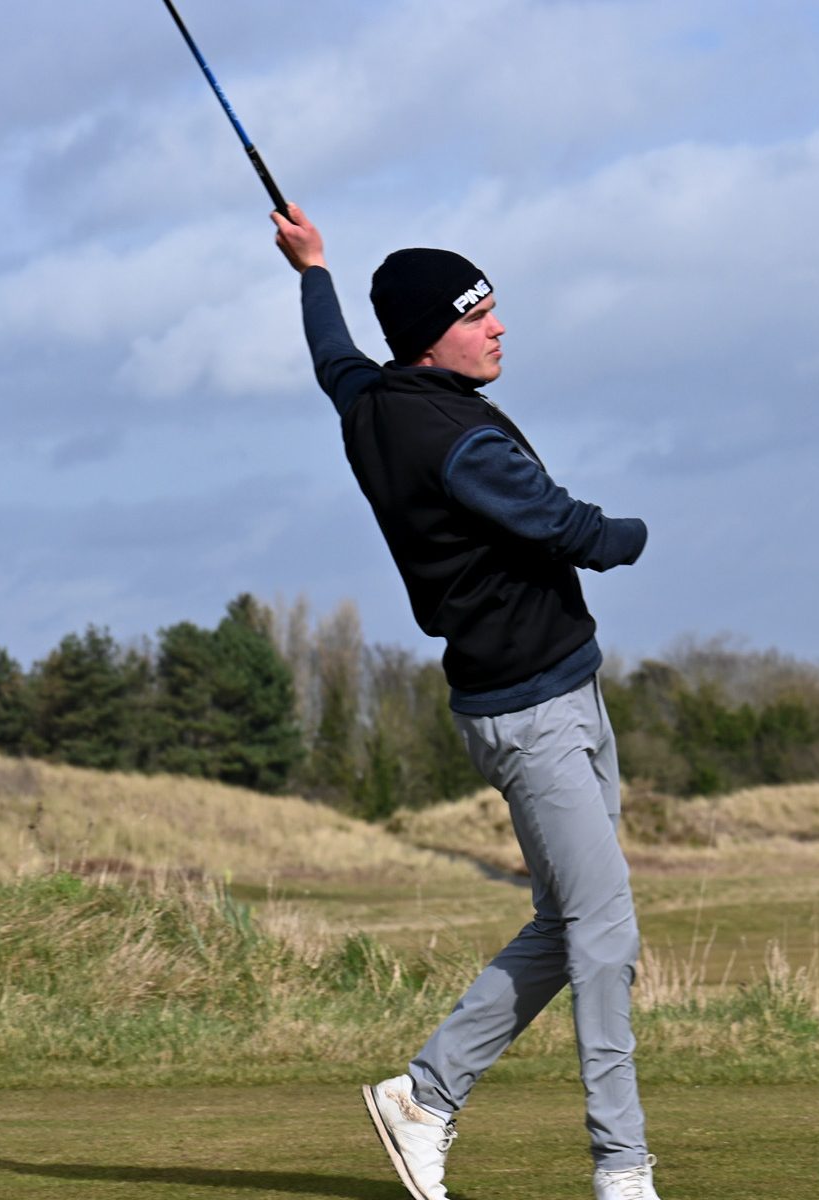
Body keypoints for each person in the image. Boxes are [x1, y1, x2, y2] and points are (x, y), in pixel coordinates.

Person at [272, 203, 662, 1200]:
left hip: (555, 691)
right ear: (430, 338)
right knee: (605, 934)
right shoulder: (456, 442)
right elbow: (570, 530)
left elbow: (331, 357)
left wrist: (312, 269)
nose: (497, 327)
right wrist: (636, 533)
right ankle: (622, 1169)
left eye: (493, 309)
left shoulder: (372, 399)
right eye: (476, 315)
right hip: (533, 717)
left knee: (570, 922)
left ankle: (425, 1097)